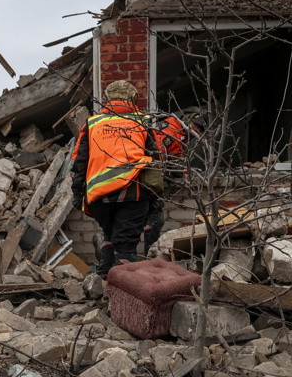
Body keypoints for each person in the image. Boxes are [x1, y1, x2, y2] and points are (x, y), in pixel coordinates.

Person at [71, 80, 162, 276]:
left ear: (107, 99)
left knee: (110, 234)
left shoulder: (93, 123)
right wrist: (156, 197)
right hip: (133, 195)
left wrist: (77, 192)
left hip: (99, 197)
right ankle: (122, 291)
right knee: (126, 245)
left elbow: (79, 161)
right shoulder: (142, 121)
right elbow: (156, 160)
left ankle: (103, 281)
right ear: (132, 99)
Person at [140, 109, 207, 254]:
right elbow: (158, 153)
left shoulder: (181, 135)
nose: (196, 129)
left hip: (151, 176)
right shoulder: (172, 130)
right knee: (154, 218)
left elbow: (174, 160)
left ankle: (148, 255)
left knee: (150, 218)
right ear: (187, 121)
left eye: (199, 128)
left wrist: (182, 175)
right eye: (195, 125)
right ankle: (150, 255)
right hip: (148, 176)